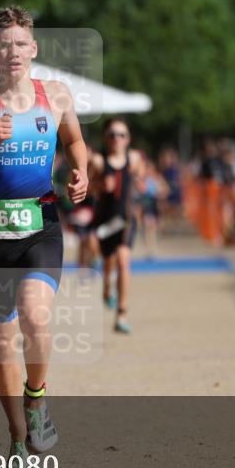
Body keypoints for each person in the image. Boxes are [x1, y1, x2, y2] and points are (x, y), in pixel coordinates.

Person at [0, 5, 88, 468]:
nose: (11, 52)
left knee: (35, 315)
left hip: (42, 223)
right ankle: (16, 437)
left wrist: (81, 173)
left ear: (34, 49)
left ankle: (37, 399)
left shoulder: (55, 95)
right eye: (3, 44)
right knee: (0, 340)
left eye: (20, 44)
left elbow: (73, 141)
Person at [89, 117, 145, 334]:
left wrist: (139, 184)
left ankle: (121, 313)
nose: (117, 139)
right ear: (105, 138)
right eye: (112, 134)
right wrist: (100, 185)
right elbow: (85, 188)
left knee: (123, 261)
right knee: (108, 260)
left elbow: (140, 180)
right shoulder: (98, 161)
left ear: (128, 138)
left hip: (126, 220)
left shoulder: (135, 158)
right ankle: (106, 288)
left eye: (121, 135)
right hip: (105, 220)